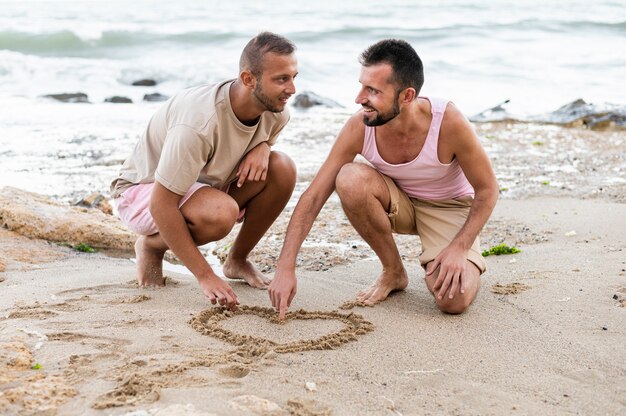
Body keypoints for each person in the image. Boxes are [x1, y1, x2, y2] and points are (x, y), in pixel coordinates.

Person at [269, 39, 498, 319]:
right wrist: (285, 267)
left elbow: (488, 190)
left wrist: (459, 248)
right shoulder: (359, 126)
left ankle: (454, 255)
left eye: (373, 90)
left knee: (452, 300)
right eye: (362, 85)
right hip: (398, 201)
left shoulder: (448, 122)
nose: (359, 98)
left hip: (449, 207)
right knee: (350, 177)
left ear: (407, 96)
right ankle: (393, 272)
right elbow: (314, 196)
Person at [110, 32, 298, 311]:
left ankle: (237, 260)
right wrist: (205, 276)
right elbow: (162, 204)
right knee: (220, 214)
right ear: (248, 80)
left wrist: (264, 146)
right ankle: (152, 246)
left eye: (295, 77)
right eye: (282, 79)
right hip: (143, 192)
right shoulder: (198, 123)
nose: (292, 89)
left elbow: (264, 139)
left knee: (281, 168)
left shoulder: (276, 112)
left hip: (202, 187)